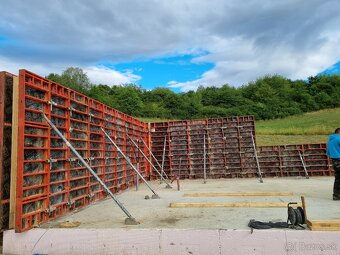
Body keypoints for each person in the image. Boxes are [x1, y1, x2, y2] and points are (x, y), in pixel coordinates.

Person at [327, 128, 340, 200]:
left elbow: (328, 153)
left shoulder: (330, 140)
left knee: (338, 179)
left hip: (334, 161)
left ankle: (336, 195)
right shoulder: (339, 138)